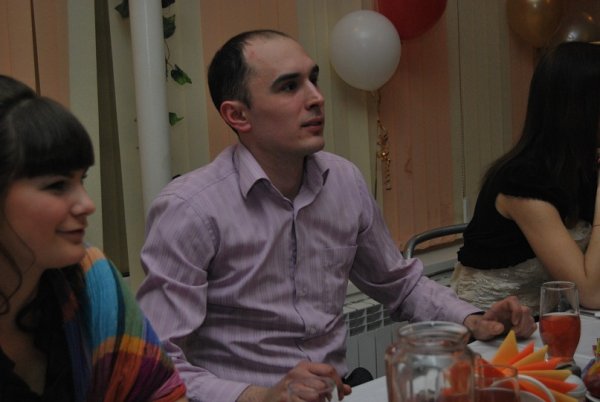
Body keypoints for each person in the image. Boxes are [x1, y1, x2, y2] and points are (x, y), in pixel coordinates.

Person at [136, 30, 536, 402]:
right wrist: (259, 396)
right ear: (238, 115)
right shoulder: (190, 209)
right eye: (289, 86)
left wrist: (472, 318)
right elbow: (154, 365)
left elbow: (398, 284)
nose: (316, 98)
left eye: (313, 79)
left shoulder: (343, 181)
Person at [0, 75, 188, 401]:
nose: (87, 204)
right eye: (57, 185)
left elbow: (160, 392)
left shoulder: (92, 279)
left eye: (82, 180)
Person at [450, 41, 600, 314]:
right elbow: (590, 293)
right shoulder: (522, 183)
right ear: (581, 108)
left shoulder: (582, 169)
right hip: (491, 325)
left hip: (550, 318)